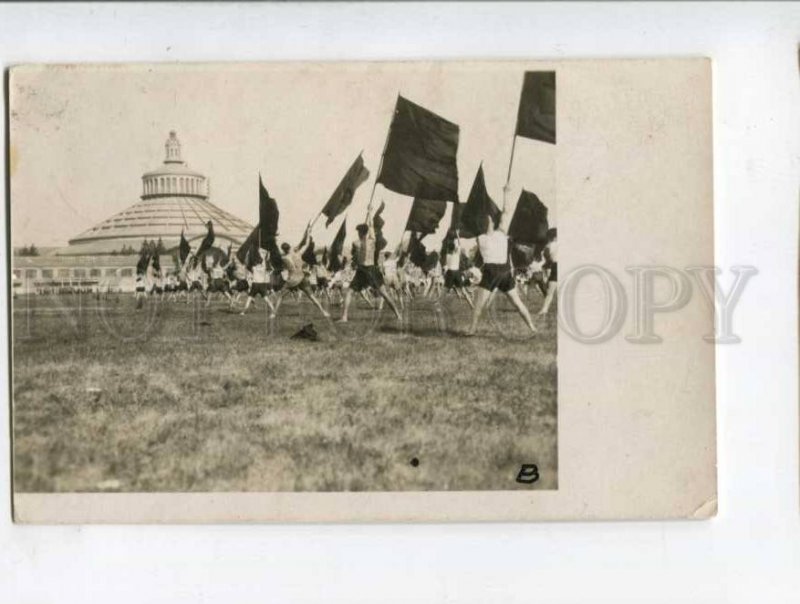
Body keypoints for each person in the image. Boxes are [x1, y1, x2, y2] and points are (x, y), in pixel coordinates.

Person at [466, 184, 537, 336]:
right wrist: (506, 193)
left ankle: (472, 330)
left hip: (491, 272)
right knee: (517, 303)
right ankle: (532, 327)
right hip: (505, 272)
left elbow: (491, 220)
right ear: (491, 223)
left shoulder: (481, 238)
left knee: (478, 306)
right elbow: (506, 212)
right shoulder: (502, 234)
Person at [338, 201, 402, 323]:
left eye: (358, 231)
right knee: (384, 294)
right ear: (367, 232)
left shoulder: (356, 243)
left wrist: (368, 215)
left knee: (350, 292)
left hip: (362, 270)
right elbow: (371, 226)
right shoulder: (372, 240)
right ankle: (398, 315)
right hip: (372, 269)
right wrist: (370, 212)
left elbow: (367, 227)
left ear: (359, 232)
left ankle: (344, 317)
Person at [273, 224, 330, 319]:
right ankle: (324, 312)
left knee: (281, 296)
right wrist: (308, 232)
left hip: (292, 280)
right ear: (290, 247)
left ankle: (273, 313)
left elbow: (278, 253)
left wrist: (275, 239)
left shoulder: (283, 257)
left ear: (283, 249)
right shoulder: (298, 254)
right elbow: (306, 244)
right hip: (302, 277)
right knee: (312, 297)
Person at [443, 231, 474, 308]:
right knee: (463, 290)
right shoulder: (456, 254)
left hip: (450, 272)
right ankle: (471, 305)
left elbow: (447, 247)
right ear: (455, 248)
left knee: (445, 291)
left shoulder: (448, 255)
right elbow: (459, 244)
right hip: (456, 273)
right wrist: (457, 234)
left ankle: (438, 305)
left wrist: (448, 238)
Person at [538, 228, 558, 316]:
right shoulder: (554, 244)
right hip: (556, 266)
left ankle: (544, 309)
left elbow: (547, 259)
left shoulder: (548, 246)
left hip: (555, 266)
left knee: (550, 291)